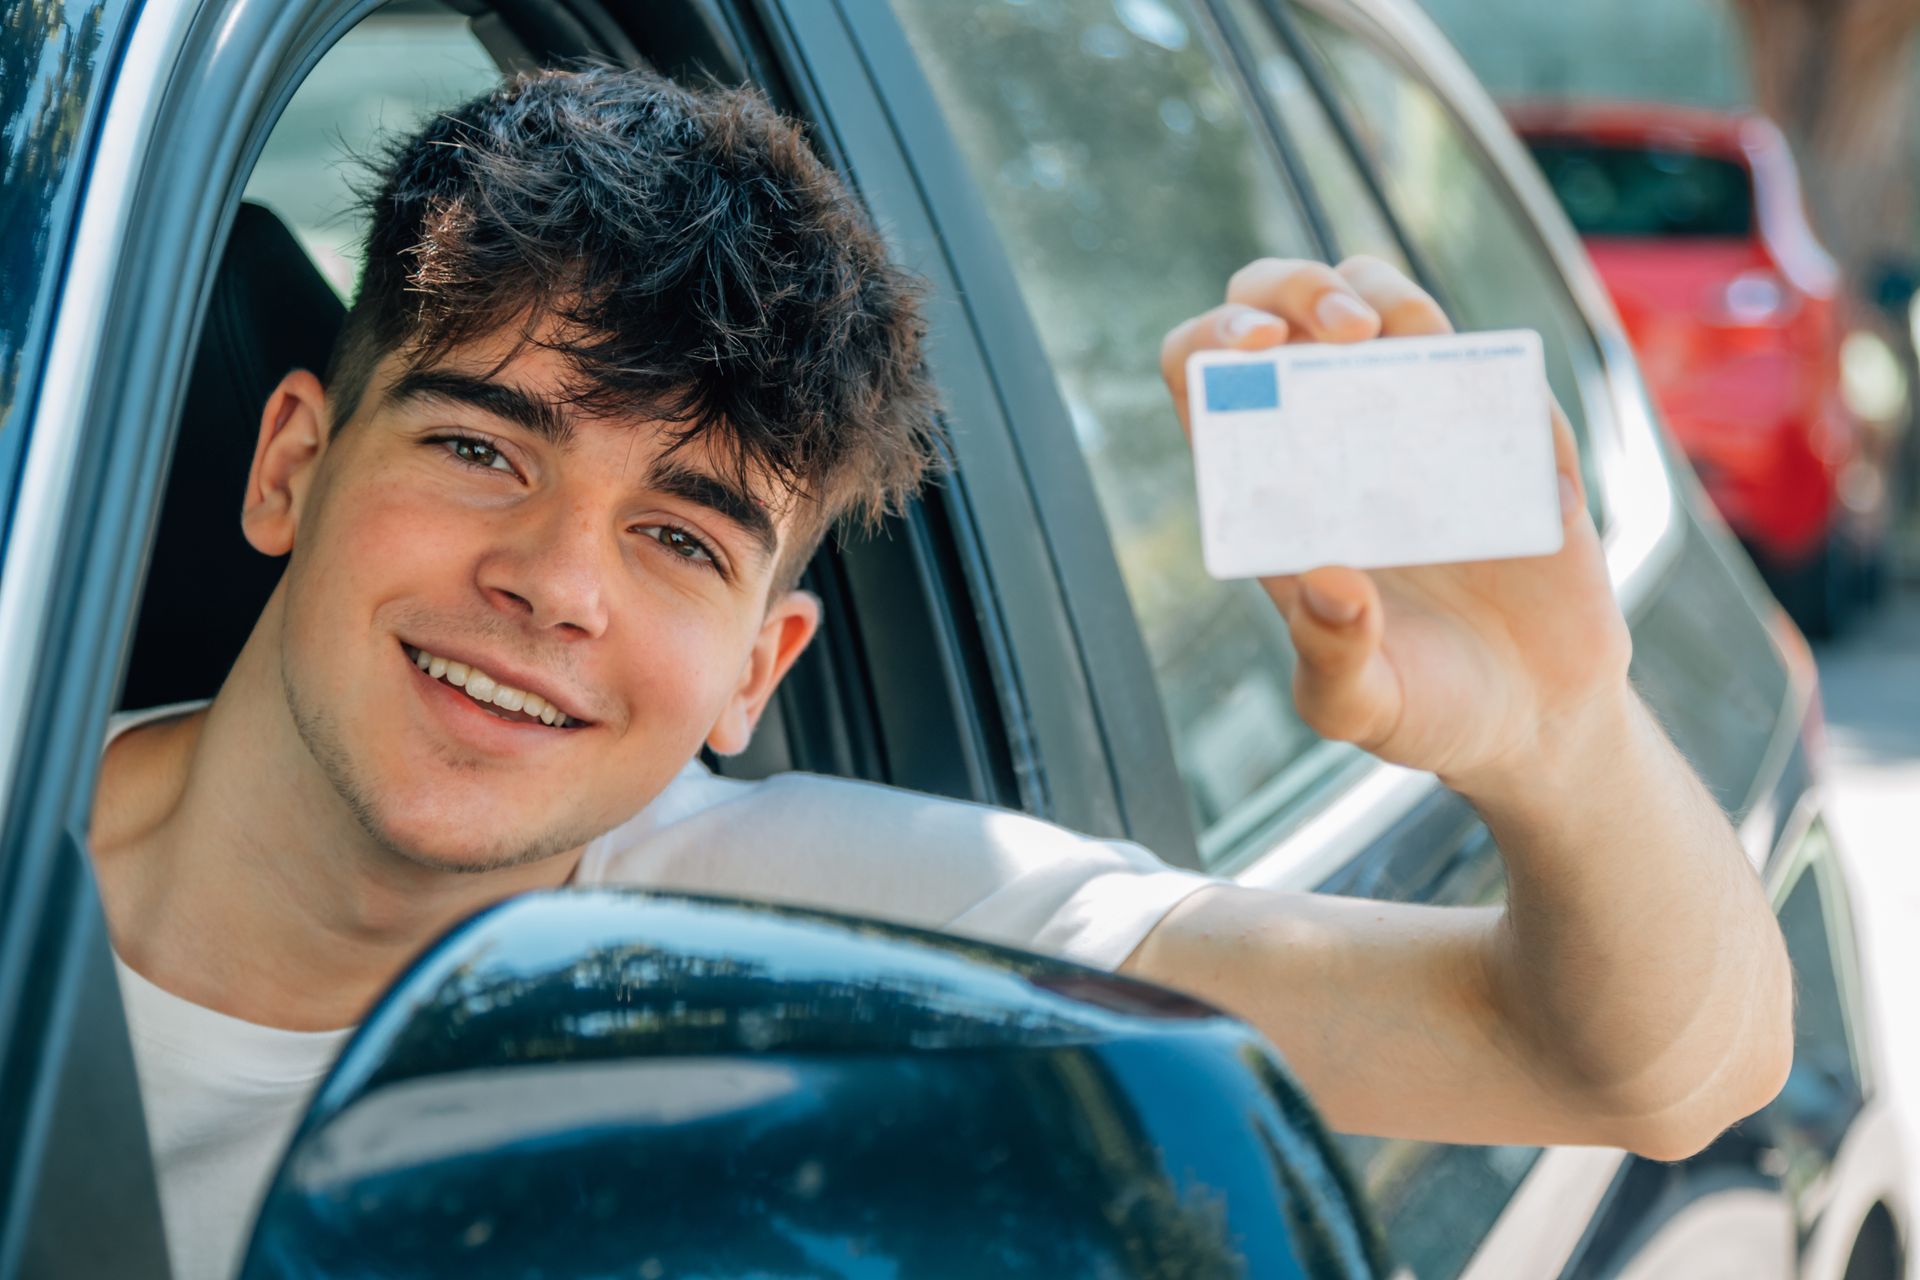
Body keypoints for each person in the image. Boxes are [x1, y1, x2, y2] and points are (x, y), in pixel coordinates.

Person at [87, 66, 1792, 1280]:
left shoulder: (787, 935)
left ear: (764, 668)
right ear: (290, 465)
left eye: (679, 540)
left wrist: (1560, 736)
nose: (550, 587)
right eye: (480, 447)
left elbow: (1649, 1070)